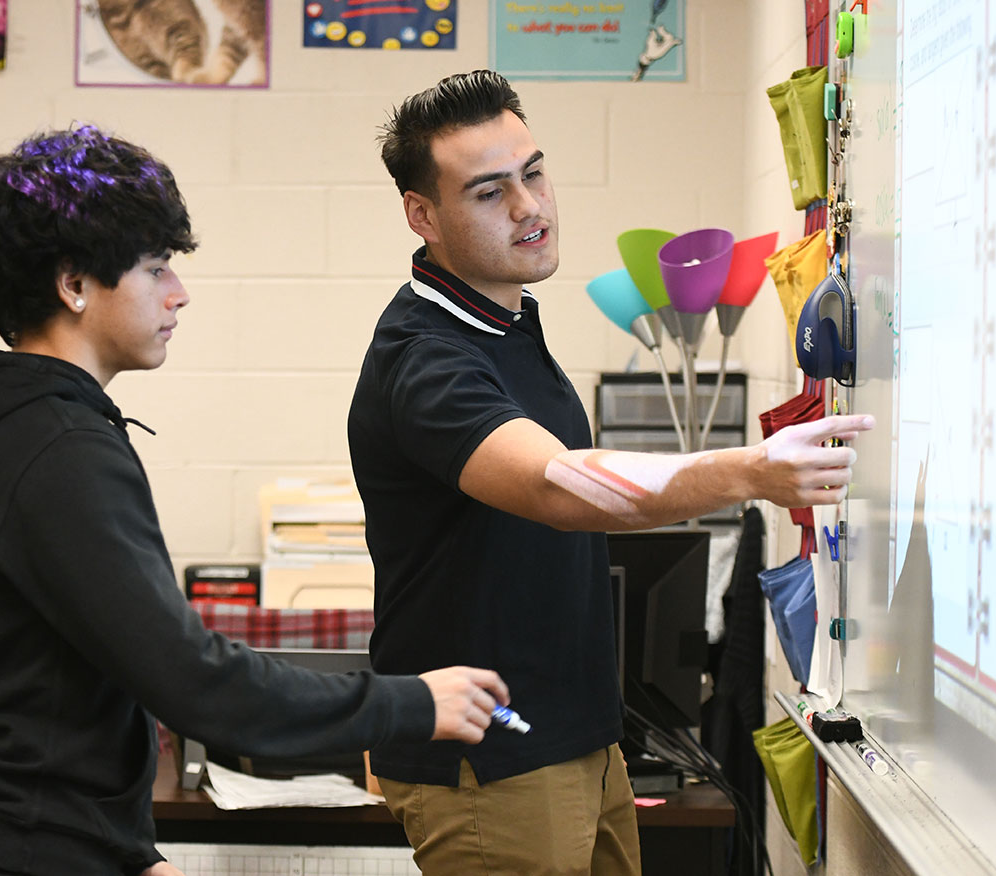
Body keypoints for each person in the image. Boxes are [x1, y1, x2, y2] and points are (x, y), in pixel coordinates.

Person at [0, 124, 509, 876]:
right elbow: (195, 682)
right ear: (74, 283)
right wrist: (413, 704)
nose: (178, 293)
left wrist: (123, 851)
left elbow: (35, 691)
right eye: (155, 269)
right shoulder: (56, 447)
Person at [347, 69, 874, 875]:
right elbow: (556, 486)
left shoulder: (505, 319)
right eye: (490, 192)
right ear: (423, 214)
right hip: (491, 762)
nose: (529, 206)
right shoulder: (425, 360)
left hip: (577, 740)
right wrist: (750, 469)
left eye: (533, 172)